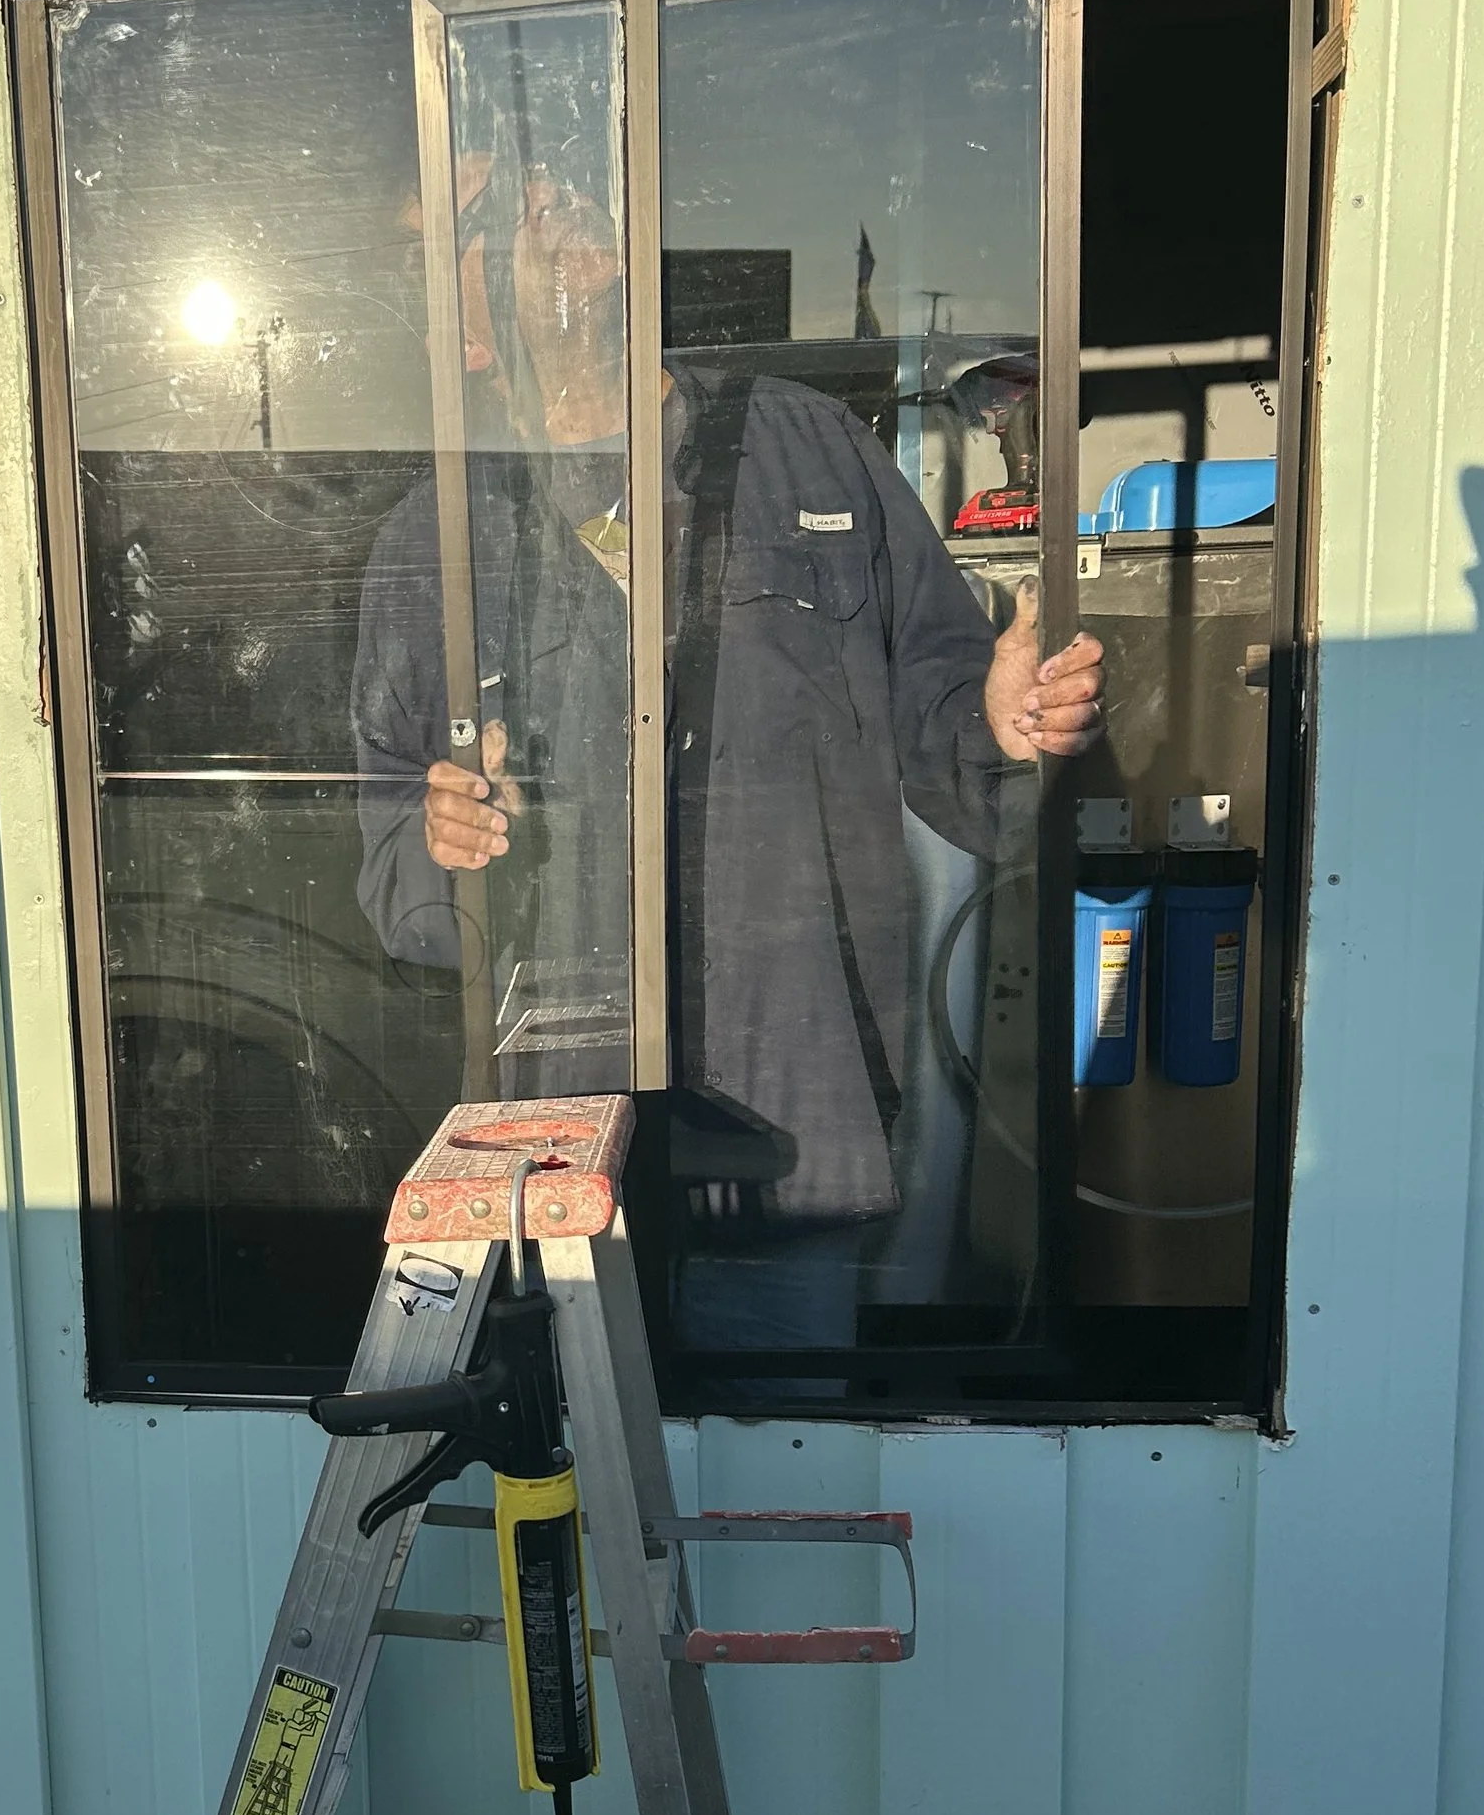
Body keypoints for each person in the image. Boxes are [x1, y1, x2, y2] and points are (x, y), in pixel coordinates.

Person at [351, 135, 1105, 1357]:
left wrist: (1003, 724)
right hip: (562, 1159)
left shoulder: (810, 451)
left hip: (788, 1124)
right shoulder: (434, 545)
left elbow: (945, 716)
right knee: (583, 1513)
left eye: (553, 177)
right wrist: (444, 845)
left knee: (783, 1475)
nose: (552, 202)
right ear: (472, 338)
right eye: (498, 212)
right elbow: (391, 858)